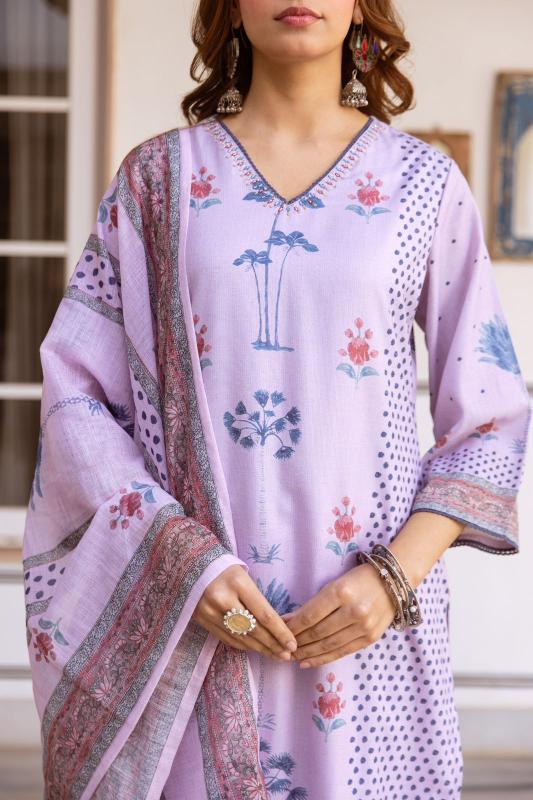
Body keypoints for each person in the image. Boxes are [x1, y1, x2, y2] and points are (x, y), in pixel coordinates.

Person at [22, 2, 530, 799]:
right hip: (191, 621)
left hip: (363, 631)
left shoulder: (422, 183)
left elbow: (491, 415)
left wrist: (394, 579)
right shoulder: (157, 180)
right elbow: (77, 398)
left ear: (361, 8)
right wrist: (181, 563)